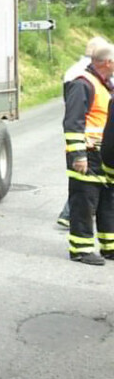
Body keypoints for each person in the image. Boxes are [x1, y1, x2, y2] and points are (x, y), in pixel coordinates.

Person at [62, 41, 114, 265]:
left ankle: (109, 247)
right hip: (87, 154)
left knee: (107, 202)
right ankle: (80, 250)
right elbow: (72, 123)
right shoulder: (82, 84)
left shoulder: (104, 85)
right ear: (108, 62)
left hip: (103, 155)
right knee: (84, 203)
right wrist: (79, 156)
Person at [57, 36, 109, 227]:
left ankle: (69, 215)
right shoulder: (86, 79)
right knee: (86, 192)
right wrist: (79, 153)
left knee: (87, 191)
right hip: (90, 145)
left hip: (90, 144)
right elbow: (75, 119)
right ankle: (70, 217)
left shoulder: (75, 71)